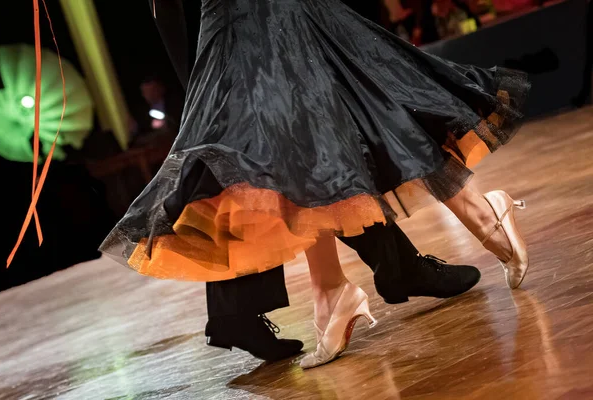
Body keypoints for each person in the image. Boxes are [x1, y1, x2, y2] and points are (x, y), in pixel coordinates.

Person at [100, 0, 530, 368]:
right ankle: (334, 286)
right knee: (291, 137)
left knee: (350, 104)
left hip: (260, 15)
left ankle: (469, 219)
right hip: (228, 20)